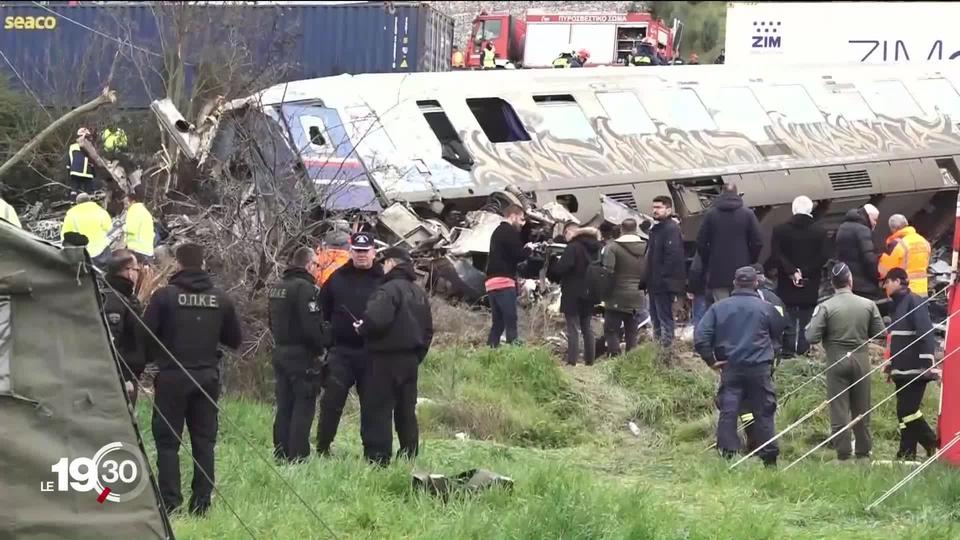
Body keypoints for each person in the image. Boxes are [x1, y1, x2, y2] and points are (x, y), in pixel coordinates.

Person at [144, 243, 242, 516]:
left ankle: (171, 505)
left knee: (167, 443)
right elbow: (234, 340)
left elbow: (146, 336)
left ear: (178, 263)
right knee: (204, 442)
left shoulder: (163, 297)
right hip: (207, 377)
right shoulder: (221, 298)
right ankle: (201, 505)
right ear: (203, 264)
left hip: (172, 377)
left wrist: (161, 355)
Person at [695, 266, 784, 466]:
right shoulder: (765, 307)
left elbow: (701, 337)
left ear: (734, 283)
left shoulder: (719, 307)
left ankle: (727, 454)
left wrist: (711, 361)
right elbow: (779, 331)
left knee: (729, 409)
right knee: (764, 410)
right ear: (756, 283)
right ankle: (768, 456)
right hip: (760, 367)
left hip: (731, 366)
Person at [357, 247, 433, 465]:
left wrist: (362, 329)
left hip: (383, 359)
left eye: (384, 263)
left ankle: (378, 458)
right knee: (406, 411)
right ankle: (409, 453)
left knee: (378, 409)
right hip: (410, 361)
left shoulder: (387, 291)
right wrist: (418, 355)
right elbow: (428, 330)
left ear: (391, 263)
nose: (382, 267)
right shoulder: (418, 293)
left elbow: (376, 320)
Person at [805, 262, 884, 462]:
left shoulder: (826, 306)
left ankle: (843, 453)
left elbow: (811, 337)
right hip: (860, 358)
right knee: (862, 407)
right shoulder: (868, 305)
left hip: (836, 359)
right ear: (850, 280)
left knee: (838, 408)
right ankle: (863, 452)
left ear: (833, 283)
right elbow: (880, 333)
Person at [316, 231, 383, 455]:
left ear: (373, 252)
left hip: (371, 353)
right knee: (331, 403)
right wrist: (327, 339)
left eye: (365, 251)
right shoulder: (337, 278)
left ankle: (373, 454)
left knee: (372, 406)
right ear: (350, 252)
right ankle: (322, 447)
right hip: (341, 352)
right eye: (357, 251)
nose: (361, 255)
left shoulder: (383, 280)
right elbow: (320, 311)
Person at [267, 247, 328, 464]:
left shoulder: (277, 287)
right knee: (303, 405)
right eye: (317, 265)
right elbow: (311, 326)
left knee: (284, 404)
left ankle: (281, 452)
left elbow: (270, 321)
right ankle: (298, 456)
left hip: (281, 351)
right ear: (309, 264)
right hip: (302, 355)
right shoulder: (306, 289)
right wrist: (320, 348)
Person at [881, 267, 939, 460]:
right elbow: (896, 339)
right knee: (902, 413)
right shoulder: (897, 305)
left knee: (909, 411)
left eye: (887, 281)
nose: (885, 286)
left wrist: (927, 364)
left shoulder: (914, 301)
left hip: (915, 369)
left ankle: (932, 442)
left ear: (898, 281)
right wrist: (890, 364)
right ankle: (906, 453)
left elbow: (925, 333)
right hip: (901, 369)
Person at [769, 195, 830, 357]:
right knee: (806, 321)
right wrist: (805, 272)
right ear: (811, 210)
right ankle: (803, 352)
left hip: (786, 284)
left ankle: (787, 353)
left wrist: (792, 271)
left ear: (794, 209)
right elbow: (823, 256)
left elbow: (776, 255)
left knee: (787, 318)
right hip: (809, 284)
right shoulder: (820, 232)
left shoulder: (779, 230)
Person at [696, 183, 763, 307]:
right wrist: (750, 260)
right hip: (742, 272)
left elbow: (701, 243)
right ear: (737, 194)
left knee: (722, 310)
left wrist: (709, 260)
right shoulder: (747, 214)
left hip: (718, 272)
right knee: (742, 309)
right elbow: (758, 241)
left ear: (721, 193)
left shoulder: (711, 215)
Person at [550, 224, 602, 366]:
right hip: (589, 291)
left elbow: (562, 268)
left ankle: (572, 360)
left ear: (571, 233)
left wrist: (554, 262)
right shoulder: (597, 248)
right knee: (587, 326)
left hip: (572, 290)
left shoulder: (573, 247)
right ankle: (590, 360)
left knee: (572, 326)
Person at [102, 249, 146, 405]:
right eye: (136, 269)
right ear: (128, 272)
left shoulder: (127, 297)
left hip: (129, 374)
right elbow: (113, 342)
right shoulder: (113, 300)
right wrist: (125, 377)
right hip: (119, 379)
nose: (137, 273)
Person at [602, 218, 649, 356]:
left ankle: (614, 357)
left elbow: (607, 272)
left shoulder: (613, 247)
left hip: (617, 295)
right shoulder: (646, 247)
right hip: (638, 295)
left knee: (611, 330)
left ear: (622, 229)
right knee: (632, 332)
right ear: (636, 230)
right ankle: (630, 360)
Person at [647, 196, 686, 352]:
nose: (655, 210)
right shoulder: (656, 230)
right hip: (654, 282)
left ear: (669, 210)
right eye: (654, 207)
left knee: (664, 319)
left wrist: (664, 278)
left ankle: (666, 352)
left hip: (662, 283)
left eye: (659, 207)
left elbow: (673, 256)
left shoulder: (670, 229)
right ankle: (658, 350)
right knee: (656, 318)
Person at [485, 204, 528, 347]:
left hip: (491, 282)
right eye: (521, 219)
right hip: (504, 281)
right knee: (511, 318)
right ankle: (513, 349)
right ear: (513, 216)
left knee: (498, 321)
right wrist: (529, 250)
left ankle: (491, 349)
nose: (523, 223)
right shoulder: (509, 231)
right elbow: (518, 254)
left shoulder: (496, 232)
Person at [835, 204, 881, 300]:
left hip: (848, 282)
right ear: (868, 216)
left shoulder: (842, 227)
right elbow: (869, 258)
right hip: (864, 286)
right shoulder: (863, 230)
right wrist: (877, 278)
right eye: (874, 220)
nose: (875, 223)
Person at [878, 214, 931, 297]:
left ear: (893, 229)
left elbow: (886, 270)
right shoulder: (924, 241)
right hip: (922, 288)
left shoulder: (898, 244)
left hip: (905, 290)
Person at [61, 193, 113, 267]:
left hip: (83, 252)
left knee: (87, 276)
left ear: (77, 203)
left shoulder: (71, 214)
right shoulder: (100, 211)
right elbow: (109, 228)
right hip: (102, 250)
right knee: (105, 273)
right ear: (89, 200)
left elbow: (65, 234)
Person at [123, 185, 156, 265]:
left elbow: (130, 230)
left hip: (138, 251)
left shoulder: (134, 210)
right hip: (147, 251)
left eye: (126, 204)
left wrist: (123, 228)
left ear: (133, 202)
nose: (125, 207)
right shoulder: (144, 211)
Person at [67, 127, 97, 195]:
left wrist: (69, 173)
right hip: (87, 173)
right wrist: (94, 173)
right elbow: (93, 162)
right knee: (89, 191)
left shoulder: (72, 147)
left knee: (74, 189)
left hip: (75, 172)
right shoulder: (91, 148)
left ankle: (73, 201)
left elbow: (69, 162)